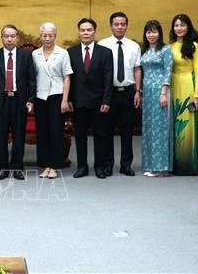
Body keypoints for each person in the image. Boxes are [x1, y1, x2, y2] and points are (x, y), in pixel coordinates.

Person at [0, 24, 35, 181]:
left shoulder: (26, 56)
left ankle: (18, 167)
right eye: (6, 36)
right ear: (2, 38)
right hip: (0, 101)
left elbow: (31, 80)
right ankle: (2, 167)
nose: (9, 39)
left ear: (17, 38)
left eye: (12, 36)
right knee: (1, 136)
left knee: (19, 135)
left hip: (19, 101)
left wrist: (30, 100)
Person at [67, 18, 113, 179]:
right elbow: (68, 78)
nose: (86, 33)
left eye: (89, 30)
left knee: (100, 136)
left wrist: (106, 101)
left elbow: (108, 79)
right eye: (83, 30)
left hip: (98, 103)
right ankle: (82, 167)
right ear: (79, 32)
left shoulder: (105, 52)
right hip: (78, 102)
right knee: (80, 136)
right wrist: (69, 99)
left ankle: (99, 167)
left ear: (95, 31)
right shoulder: (70, 52)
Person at [98, 12, 142, 177]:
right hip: (109, 93)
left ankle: (126, 164)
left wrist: (138, 91)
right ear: (111, 26)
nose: (119, 27)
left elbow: (137, 69)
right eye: (116, 24)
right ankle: (108, 164)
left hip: (128, 92)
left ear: (126, 25)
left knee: (127, 130)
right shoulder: (102, 45)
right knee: (107, 130)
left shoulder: (134, 46)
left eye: (123, 24)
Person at [31, 22, 72, 179]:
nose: (47, 38)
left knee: (56, 131)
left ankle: (54, 166)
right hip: (40, 96)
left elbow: (67, 77)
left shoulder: (62, 53)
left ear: (55, 36)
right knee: (42, 132)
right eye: (44, 35)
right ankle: (45, 165)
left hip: (57, 95)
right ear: (40, 36)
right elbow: (32, 77)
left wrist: (65, 99)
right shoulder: (35, 54)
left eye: (50, 35)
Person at [169, 13, 198, 176]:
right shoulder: (170, 46)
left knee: (188, 126)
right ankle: (175, 164)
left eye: (182, 25)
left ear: (188, 27)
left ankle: (189, 165)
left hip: (189, 85)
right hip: (174, 86)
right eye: (176, 25)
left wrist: (197, 95)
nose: (179, 28)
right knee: (175, 126)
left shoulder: (194, 46)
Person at [140, 20, 173, 177]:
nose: (151, 35)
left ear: (159, 33)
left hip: (160, 91)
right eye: (148, 32)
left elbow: (168, 71)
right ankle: (150, 164)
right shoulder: (145, 50)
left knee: (160, 128)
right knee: (149, 128)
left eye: (154, 32)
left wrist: (163, 91)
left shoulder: (165, 49)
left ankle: (161, 167)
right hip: (147, 92)